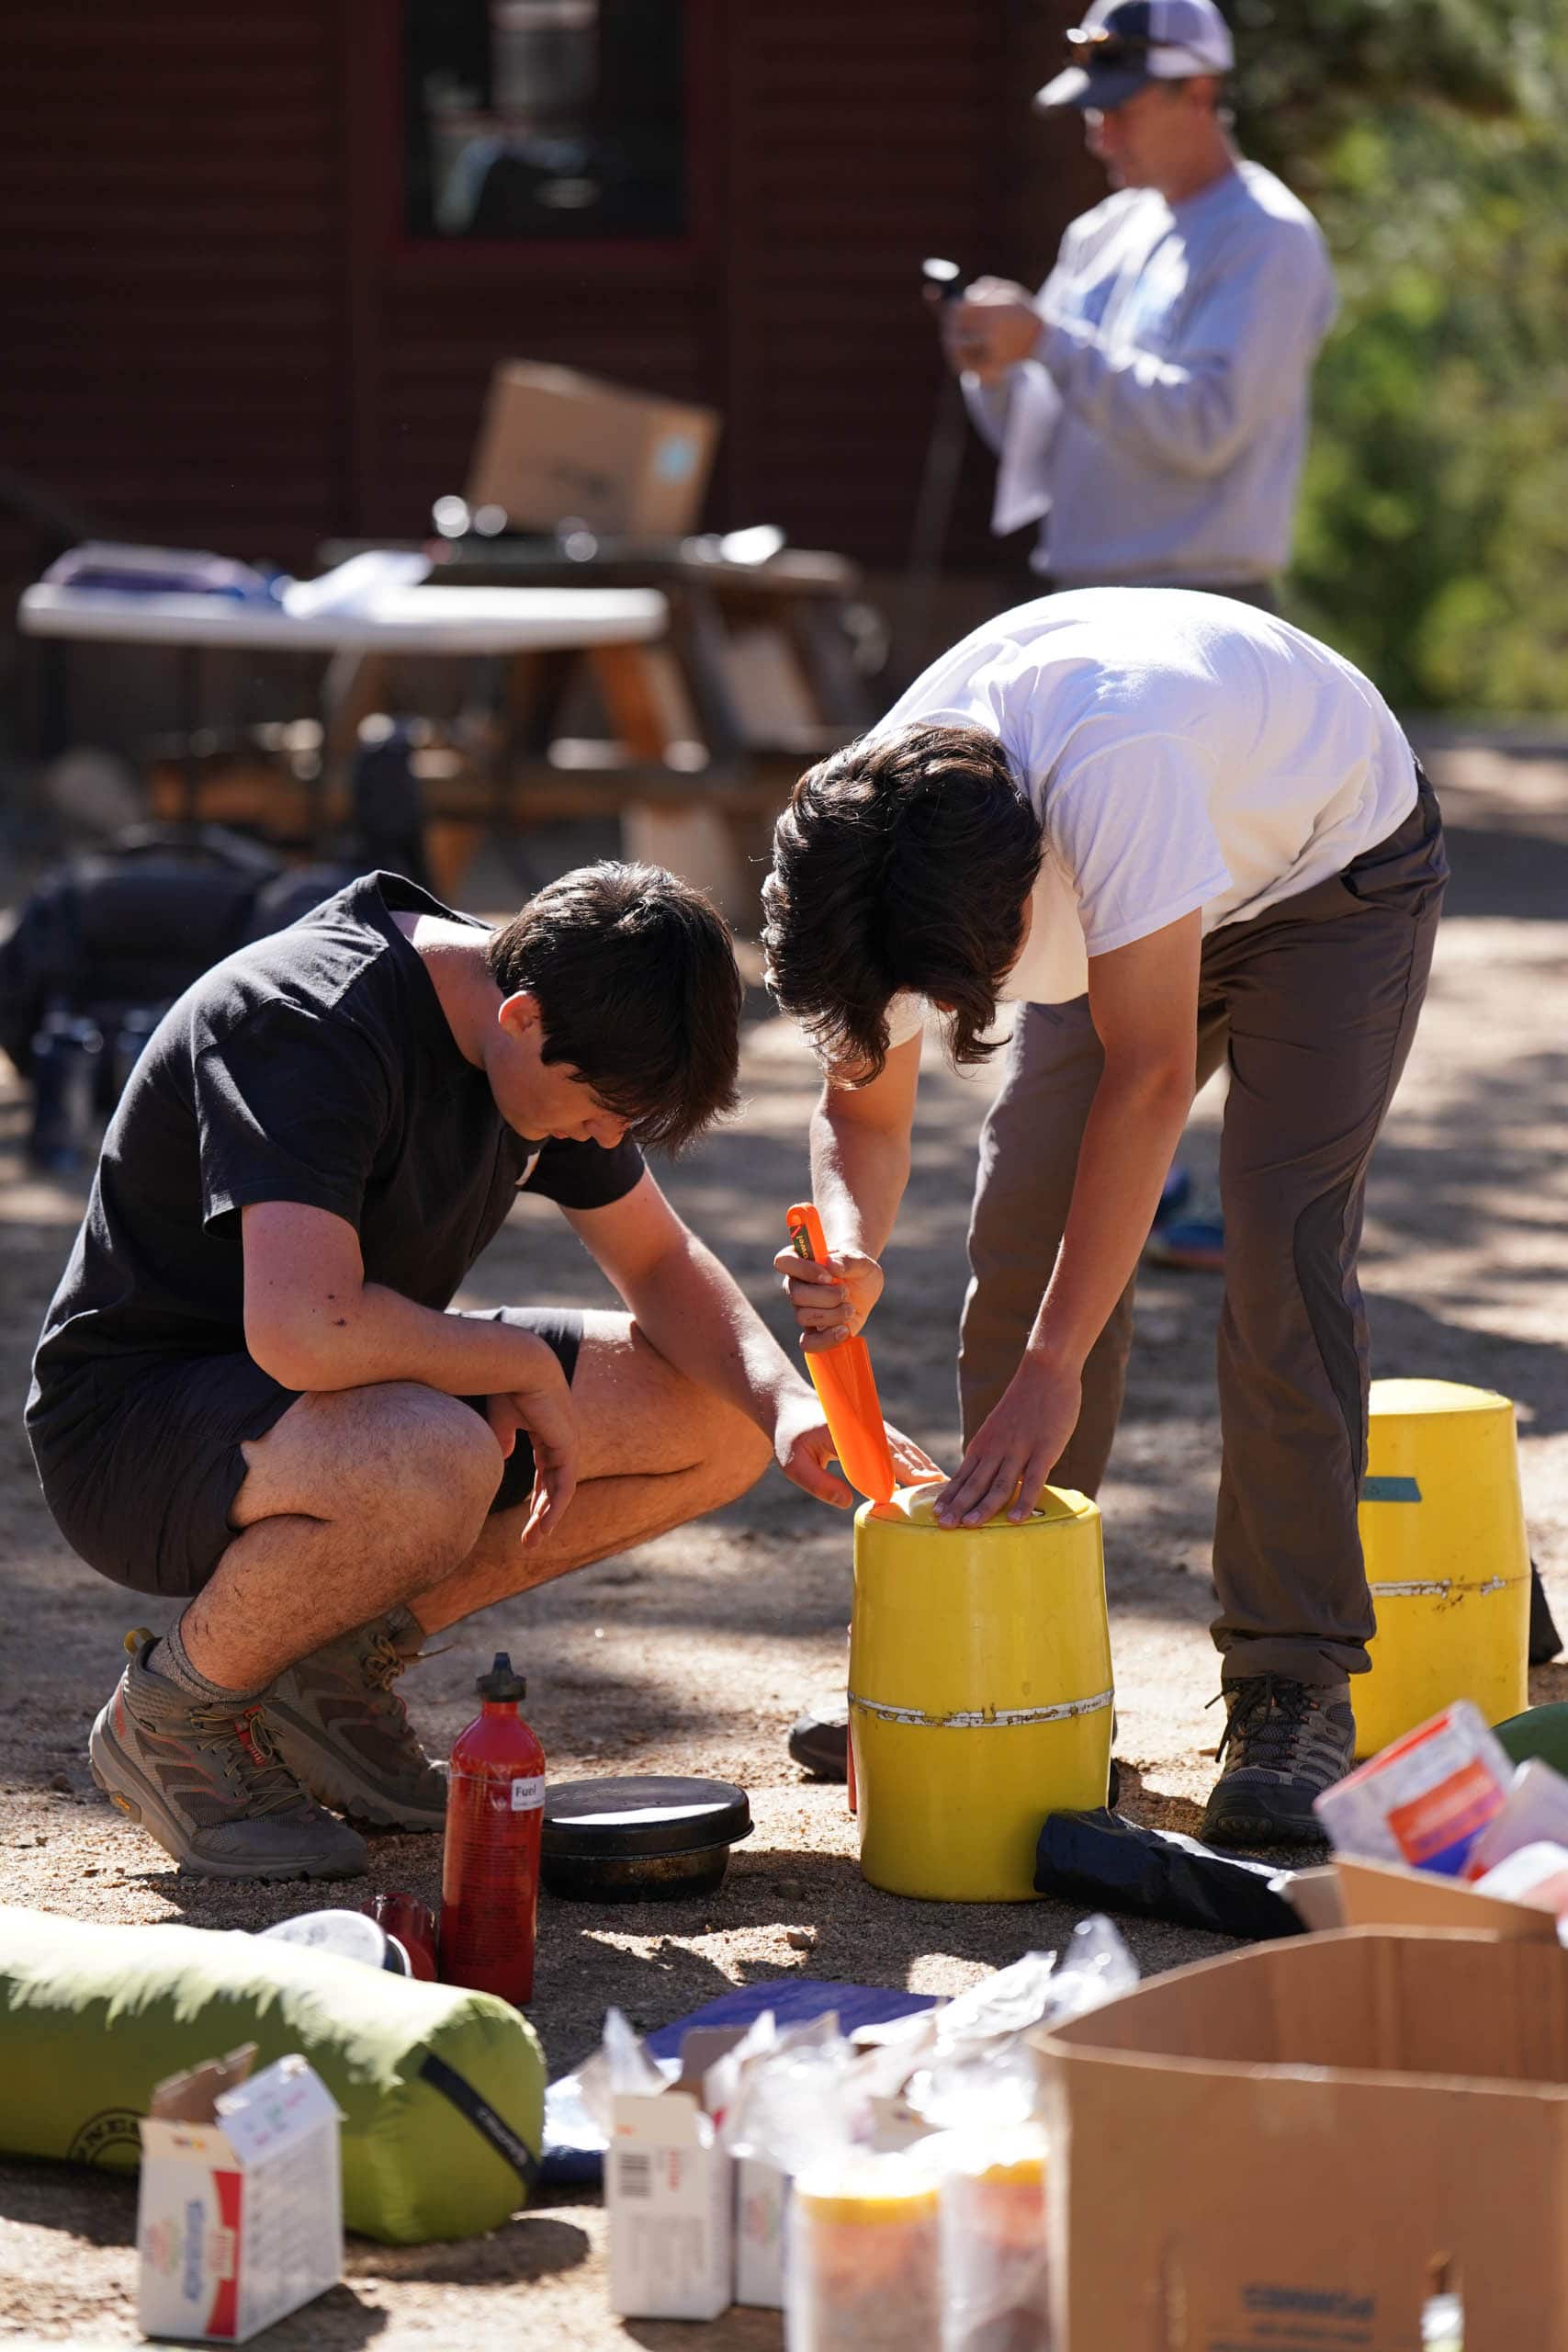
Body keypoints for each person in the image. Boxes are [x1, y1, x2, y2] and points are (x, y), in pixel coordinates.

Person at [27, 863, 937, 1881]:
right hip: (133, 1431)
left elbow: (659, 1259)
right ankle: (178, 1715)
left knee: (715, 1415)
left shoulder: (554, 1020)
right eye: (599, 1108)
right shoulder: (309, 1021)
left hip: (337, 1397)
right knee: (437, 1455)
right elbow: (302, 1329)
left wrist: (787, 1408)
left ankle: (322, 1671)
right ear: (520, 1015)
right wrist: (510, 1362)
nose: (604, 1137)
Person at [764, 590, 1449, 1846]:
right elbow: (860, 1110)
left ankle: (1289, 1681)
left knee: (1275, 1248)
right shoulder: (871, 841)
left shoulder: (1109, 770)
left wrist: (1052, 1368)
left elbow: (1144, 1079)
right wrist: (851, 1245)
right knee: (1020, 1231)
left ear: (1014, 896)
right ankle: (1003, 1652)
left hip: (1328, 868)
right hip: (1131, 879)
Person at [943, 0, 1338, 611]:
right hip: (1077, 597)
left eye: (1121, 110)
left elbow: (1204, 429)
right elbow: (1038, 437)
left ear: (1200, 92)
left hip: (1202, 607)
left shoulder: (1265, 234)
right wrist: (992, 369)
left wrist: (1045, 343)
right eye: (1093, 112)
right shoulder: (1100, 231)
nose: (1100, 136)